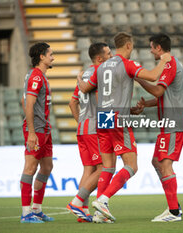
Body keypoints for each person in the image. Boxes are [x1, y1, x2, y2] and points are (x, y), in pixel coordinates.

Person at [77, 32, 171, 222]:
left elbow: (85, 89)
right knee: (131, 165)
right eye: (133, 45)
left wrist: (79, 78)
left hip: (102, 118)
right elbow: (153, 76)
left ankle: (97, 213)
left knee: (108, 166)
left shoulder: (101, 66)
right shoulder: (127, 63)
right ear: (128, 45)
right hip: (119, 117)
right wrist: (163, 60)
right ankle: (103, 200)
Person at [134, 33, 183, 222]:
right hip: (168, 122)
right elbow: (163, 96)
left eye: (151, 47)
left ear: (158, 47)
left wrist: (138, 78)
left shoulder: (170, 64)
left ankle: (174, 212)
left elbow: (158, 90)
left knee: (165, 164)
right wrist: (145, 105)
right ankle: (174, 207)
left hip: (174, 121)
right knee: (157, 162)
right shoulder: (170, 64)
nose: (150, 51)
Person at [67, 42, 113, 223]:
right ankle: (77, 203)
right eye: (109, 54)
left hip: (83, 130)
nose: (112, 57)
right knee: (103, 168)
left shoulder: (85, 74)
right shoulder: (100, 73)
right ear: (100, 58)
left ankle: (83, 211)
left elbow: (72, 103)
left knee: (89, 169)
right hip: (95, 129)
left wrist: (82, 123)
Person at [20, 42, 55, 223]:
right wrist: (32, 132)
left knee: (47, 167)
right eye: (50, 54)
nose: (53, 57)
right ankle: (26, 213)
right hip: (37, 130)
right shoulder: (36, 76)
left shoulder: (40, 76)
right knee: (30, 167)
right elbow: (29, 103)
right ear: (41, 56)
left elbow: (23, 99)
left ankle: (36, 209)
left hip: (44, 128)